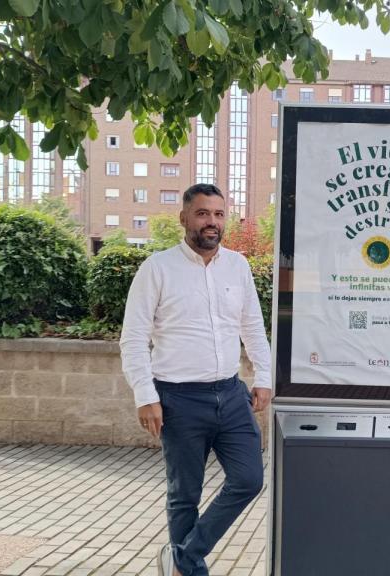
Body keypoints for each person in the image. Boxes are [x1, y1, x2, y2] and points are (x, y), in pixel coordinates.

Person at [120, 183, 272, 576]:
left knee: (249, 479)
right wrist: (145, 396)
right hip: (178, 399)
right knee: (184, 494)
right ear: (184, 217)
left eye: (219, 214)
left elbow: (252, 327)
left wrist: (264, 376)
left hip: (231, 394)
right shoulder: (157, 268)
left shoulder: (237, 266)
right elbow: (133, 337)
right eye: (203, 213)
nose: (211, 222)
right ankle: (189, 570)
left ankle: (182, 557)